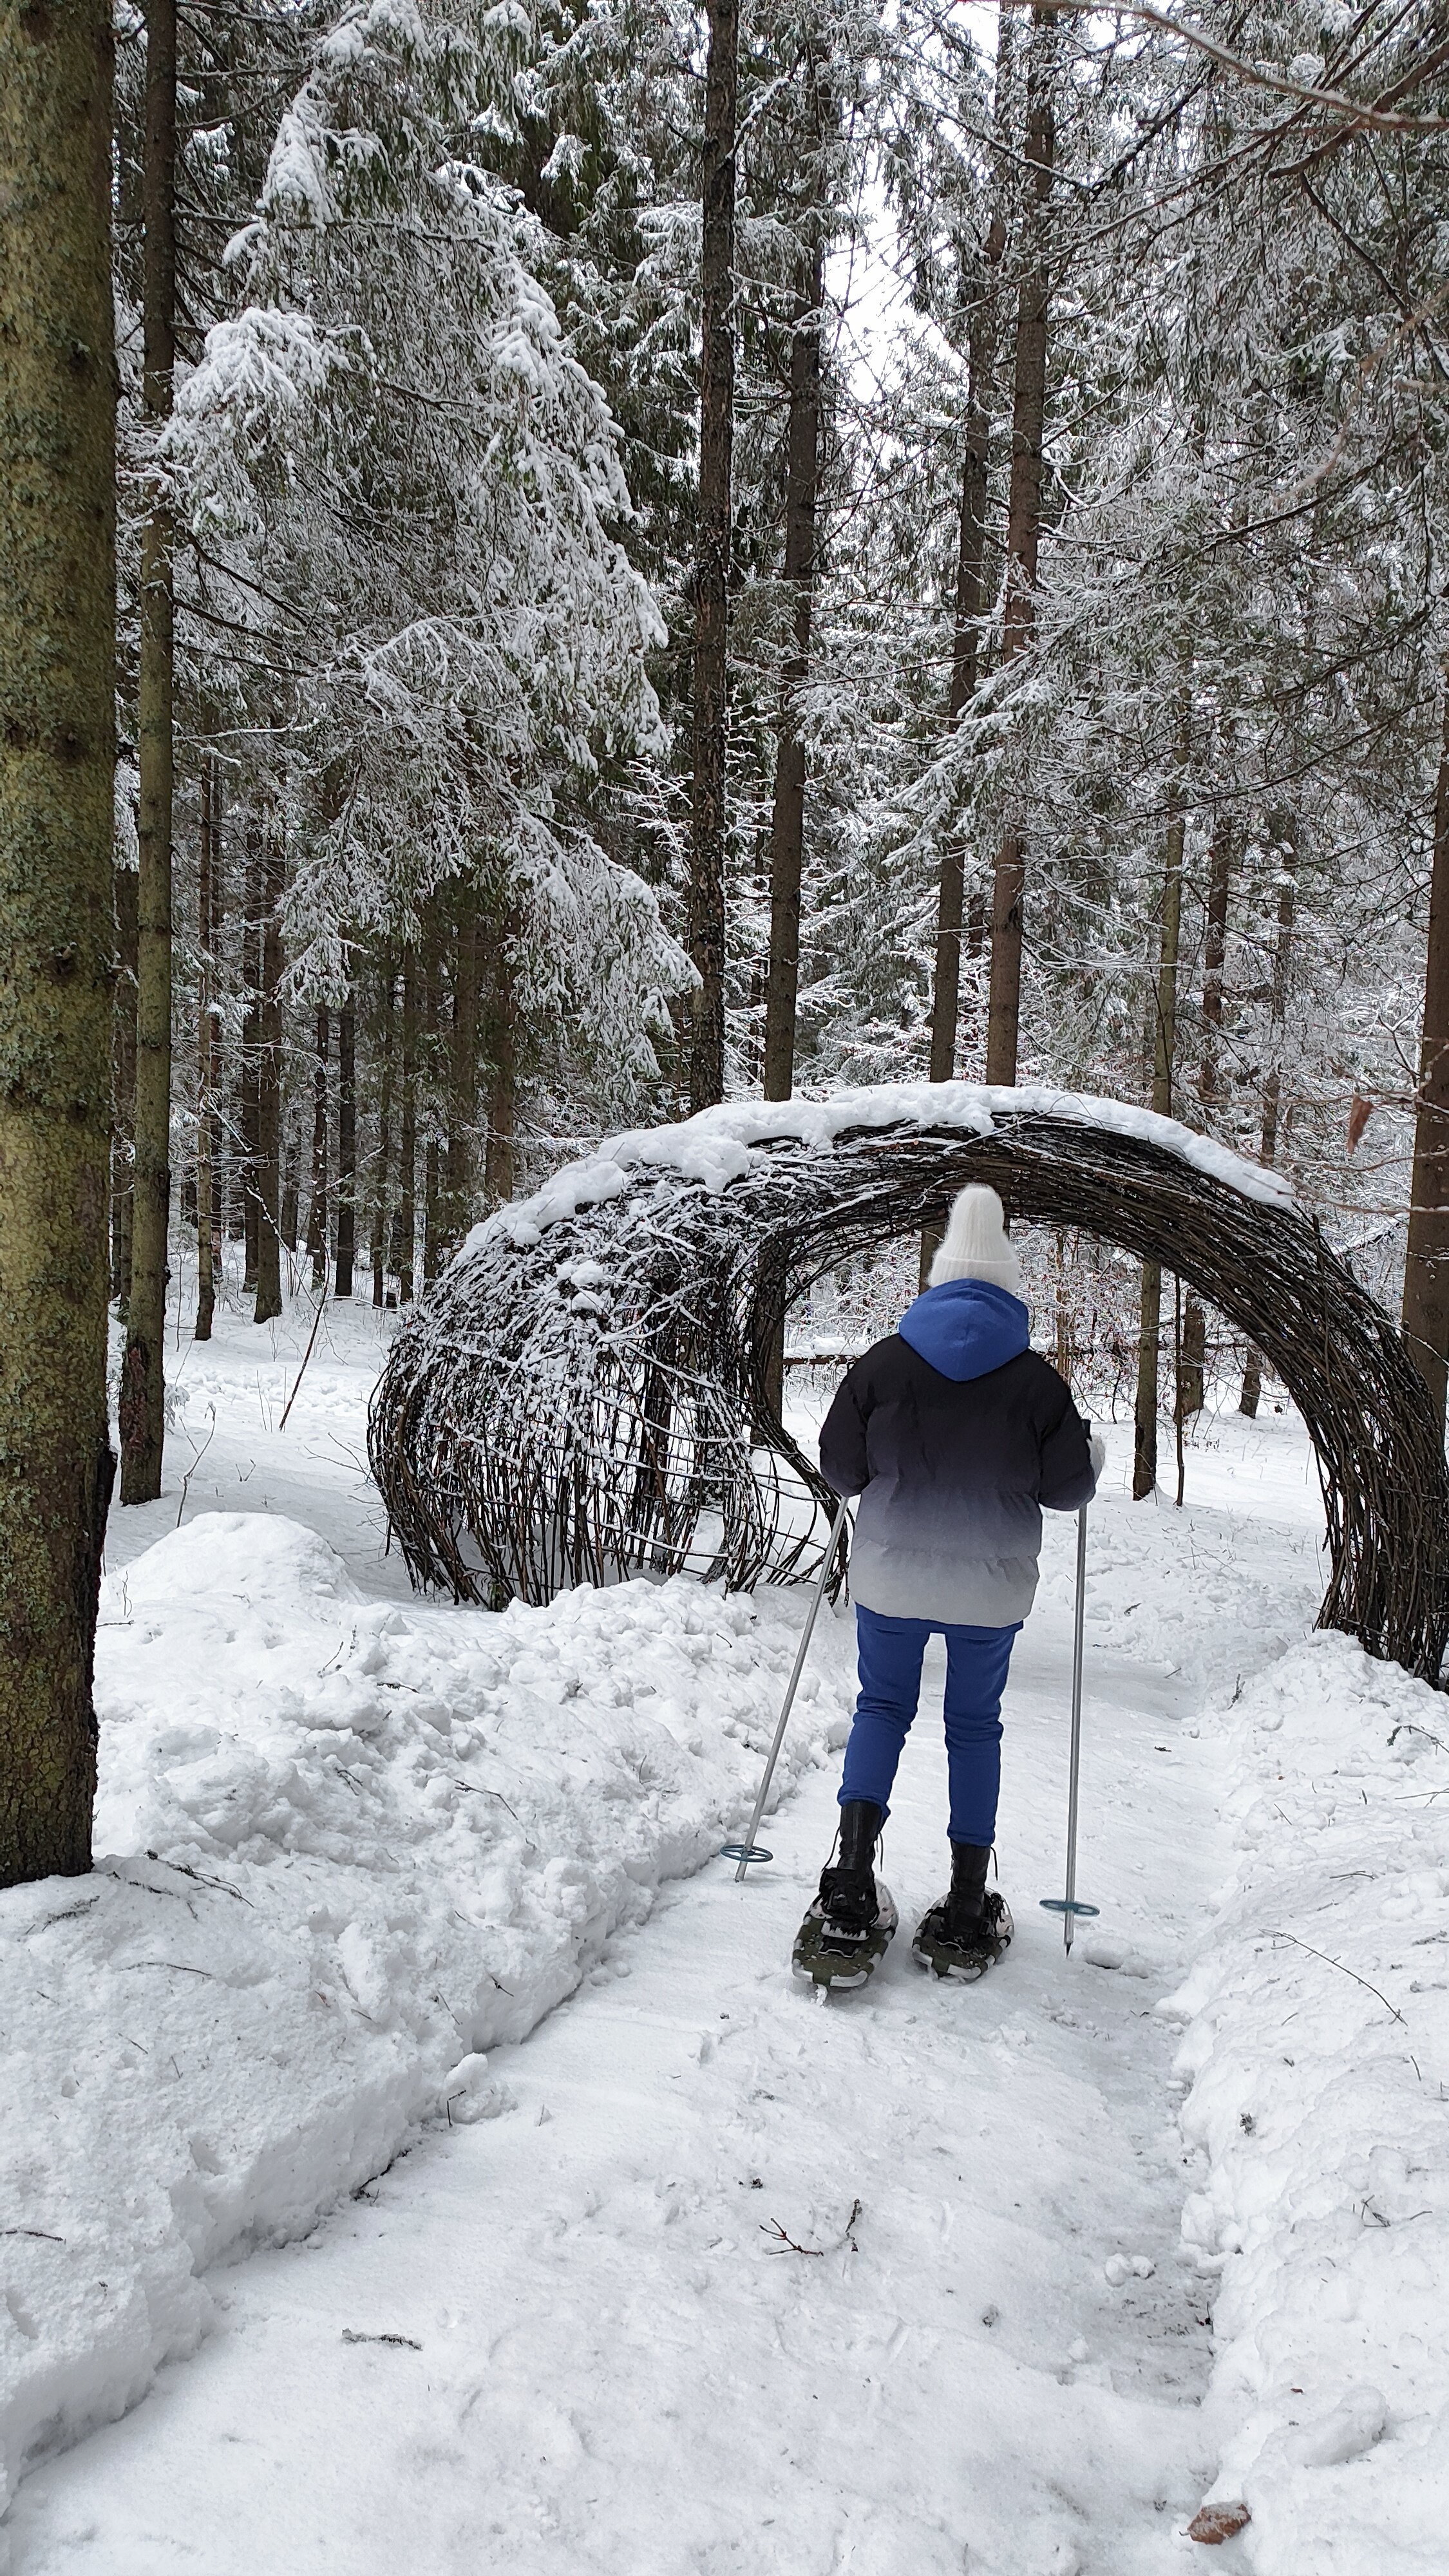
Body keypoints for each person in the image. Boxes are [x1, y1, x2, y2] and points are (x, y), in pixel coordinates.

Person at [807, 1184, 1102, 1984]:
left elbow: (840, 1470)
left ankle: (851, 1882)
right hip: (989, 1588)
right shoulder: (1038, 1383)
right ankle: (969, 1899)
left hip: (893, 1576)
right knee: (974, 1726)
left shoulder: (884, 1364)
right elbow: (1068, 1489)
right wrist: (1091, 1457)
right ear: (1008, 1288)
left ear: (935, 1283)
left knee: (882, 1707)